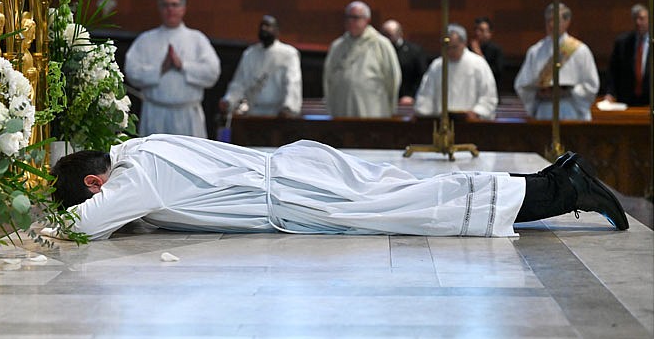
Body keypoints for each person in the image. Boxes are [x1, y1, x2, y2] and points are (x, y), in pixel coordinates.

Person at [48, 134, 629, 241]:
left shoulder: (135, 175)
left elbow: (89, 224)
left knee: (425, 209)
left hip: (297, 193)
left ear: (98, 181)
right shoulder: (144, 147)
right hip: (297, 171)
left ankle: (563, 188)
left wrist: (36, 226)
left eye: (93, 192)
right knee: (422, 192)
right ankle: (552, 183)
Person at [124, 0, 221, 138]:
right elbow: (132, 71)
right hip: (155, 113)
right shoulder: (145, 40)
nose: (170, 9)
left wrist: (182, 65)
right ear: (159, 9)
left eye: (175, 5)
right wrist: (160, 69)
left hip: (188, 115)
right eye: (165, 5)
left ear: (183, 9)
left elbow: (212, 72)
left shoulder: (197, 39)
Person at [514, 3, 599, 120]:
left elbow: (591, 85)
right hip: (543, 110)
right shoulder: (535, 51)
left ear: (567, 22)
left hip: (569, 109)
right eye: (548, 20)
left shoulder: (580, 51)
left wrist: (568, 92)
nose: (551, 24)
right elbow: (522, 85)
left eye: (556, 20)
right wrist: (537, 93)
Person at [323, 1, 401, 118]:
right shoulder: (337, 46)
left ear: (367, 20)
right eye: (348, 17)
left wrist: (391, 106)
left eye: (355, 18)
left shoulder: (381, 44)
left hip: (372, 110)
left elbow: (393, 78)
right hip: (342, 109)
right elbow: (328, 78)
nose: (350, 21)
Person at [219, 15, 302, 117]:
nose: (264, 29)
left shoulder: (288, 54)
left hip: (278, 113)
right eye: (262, 26)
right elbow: (239, 82)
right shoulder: (250, 54)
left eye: (268, 26)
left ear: (277, 30)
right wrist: (229, 100)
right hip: (253, 112)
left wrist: (289, 107)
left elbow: (293, 82)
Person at [414, 24, 499, 120]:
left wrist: (477, 112)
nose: (449, 51)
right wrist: (424, 112)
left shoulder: (478, 64)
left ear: (464, 43)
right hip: (442, 121)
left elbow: (488, 95)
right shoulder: (437, 66)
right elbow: (426, 95)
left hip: (470, 123)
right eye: (446, 47)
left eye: (454, 47)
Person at [605, 4, 651, 106]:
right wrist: (610, 93)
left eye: (642, 19)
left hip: (651, 100)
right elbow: (613, 71)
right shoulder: (623, 42)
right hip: (627, 99)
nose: (638, 22)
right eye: (635, 19)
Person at [380, 19, 429, 105]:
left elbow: (422, 76)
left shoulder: (414, 51)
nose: (386, 39)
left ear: (400, 34)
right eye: (384, 35)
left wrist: (412, 95)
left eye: (389, 35)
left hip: (407, 100)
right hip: (383, 99)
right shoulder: (378, 51)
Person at [469, 16, 505, 91]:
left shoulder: (496, 50)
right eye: (476, 29)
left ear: (489, 33)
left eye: (481, 30)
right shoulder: (469, 49)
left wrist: (480, 55)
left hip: (490, 89)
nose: (477, 33)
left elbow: (497, 72)